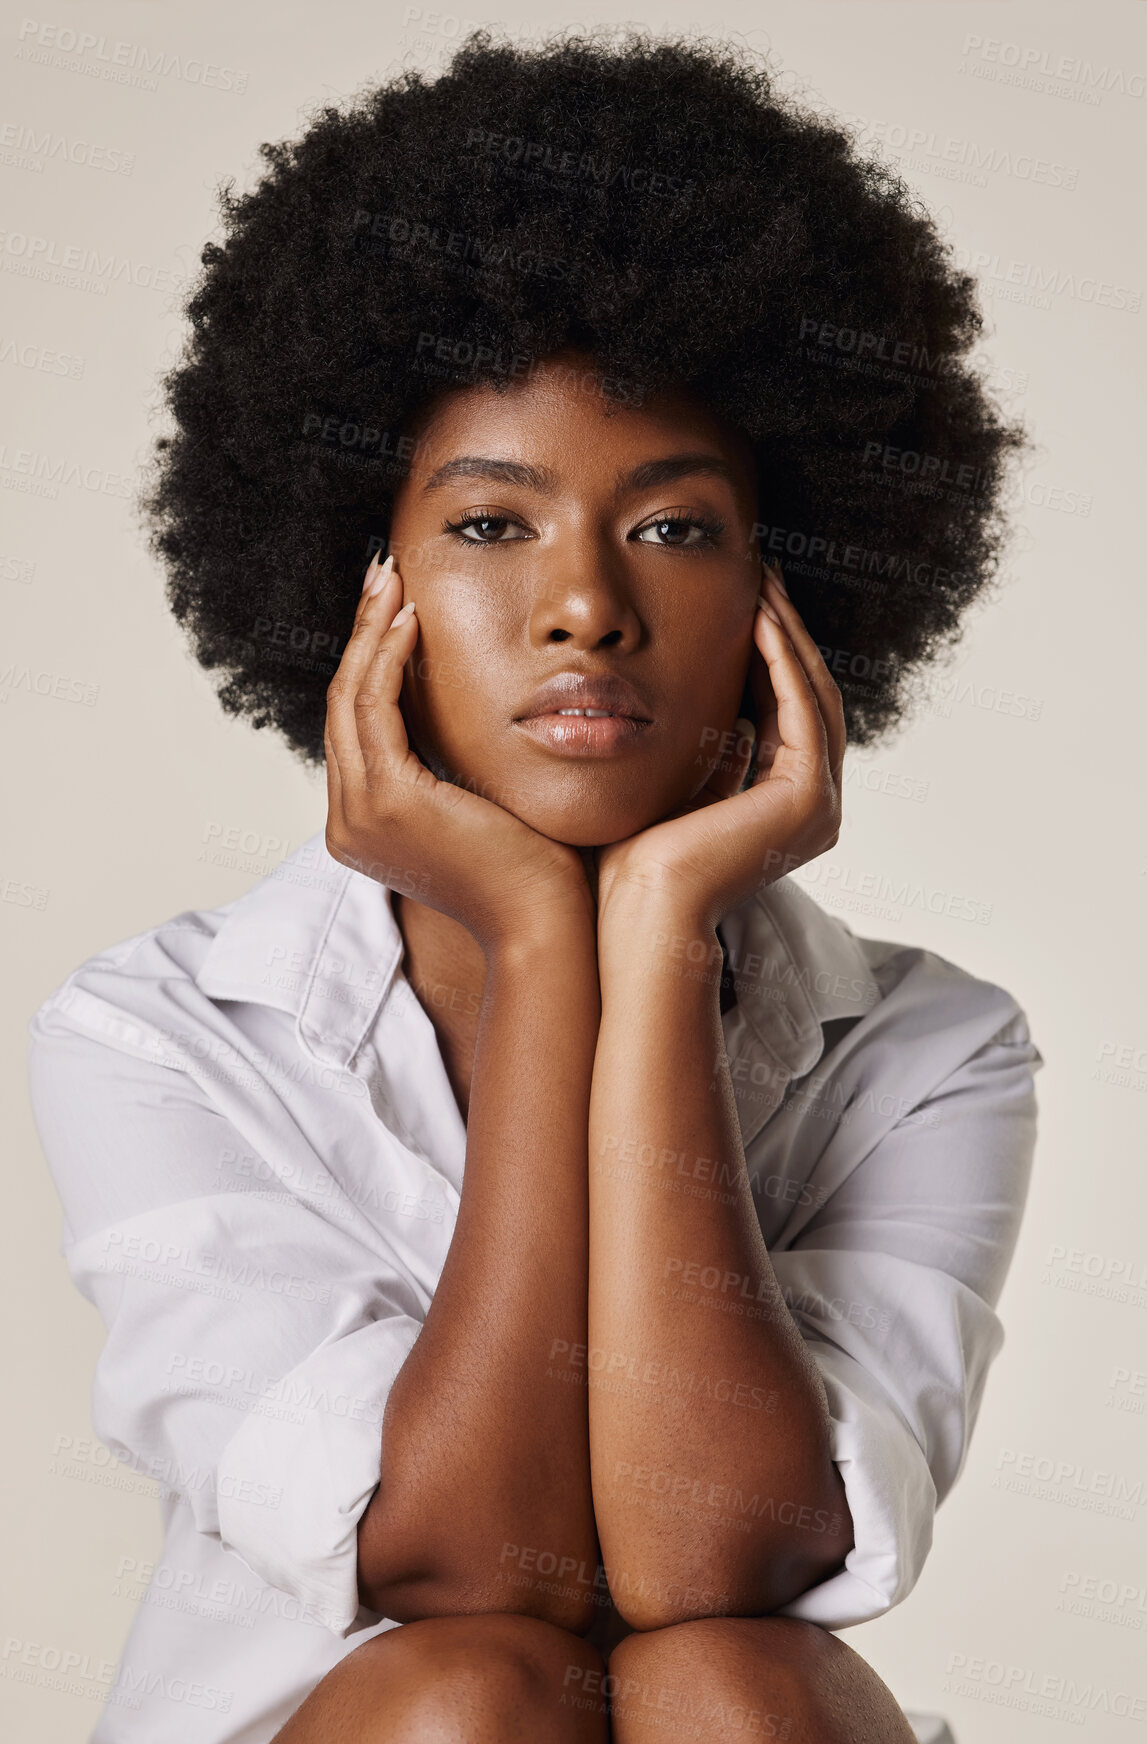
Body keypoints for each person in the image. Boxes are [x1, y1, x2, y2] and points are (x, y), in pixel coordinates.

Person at [28, 28, 1040, 1744]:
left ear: (783, 605)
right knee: (474, 1688)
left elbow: (710, 1561)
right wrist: (537, 945)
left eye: (674, 526)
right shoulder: (156, 1033)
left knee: (733, 1677)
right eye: (492, 528)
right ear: (362, 592)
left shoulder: (933, 1050)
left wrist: (649, 944)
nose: (585, 606)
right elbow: (468, 1573)